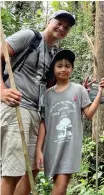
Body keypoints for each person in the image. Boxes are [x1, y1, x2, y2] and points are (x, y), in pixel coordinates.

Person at [0, 10, 75, 195]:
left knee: (31, 171)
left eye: (66, 27)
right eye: (59, 22)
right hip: (17, 107)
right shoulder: (29, 37)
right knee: (13, 171)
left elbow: (51, 88)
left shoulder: (54, 54)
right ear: (49, 21)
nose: (62, 28)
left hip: (36, 113)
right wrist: (1, 90)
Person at [35, 49, 104, 194]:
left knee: (61, 185)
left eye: (67, 66)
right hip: (52, 147)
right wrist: (38, 149)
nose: (63, 69)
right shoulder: (47, 95)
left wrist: (99, 93)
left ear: (72, 69)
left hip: (70, 147)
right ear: (53, 68)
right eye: (59, 66)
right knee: (60, 187)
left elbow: (89, 114)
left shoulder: (78, 90)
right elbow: (43, 123)